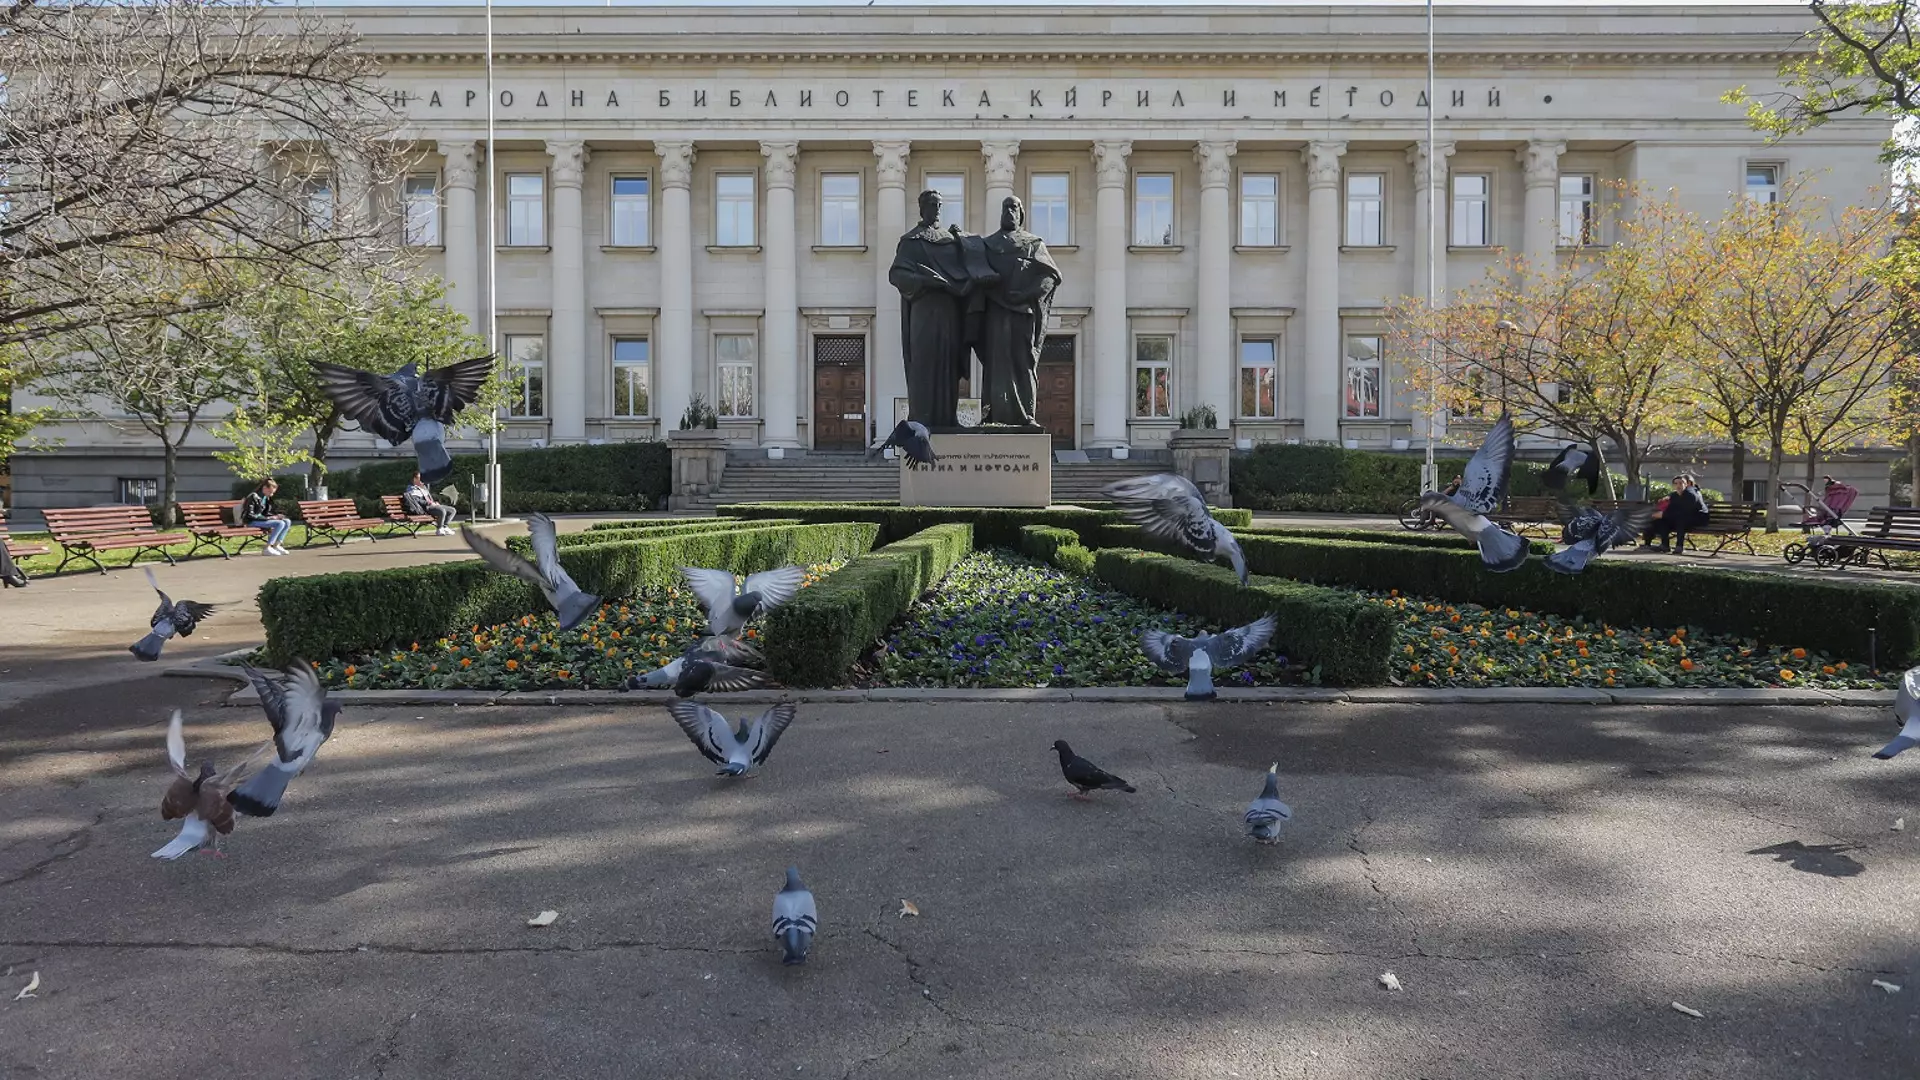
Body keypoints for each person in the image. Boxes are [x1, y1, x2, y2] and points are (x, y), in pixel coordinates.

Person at [1641, 473, 1709, 553]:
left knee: (1680, 520)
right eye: (1676, 483)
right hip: (1683, 518)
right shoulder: (1674, 495)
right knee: (1661, 521)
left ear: (1686, 484)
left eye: (1681, 483)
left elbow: (1685, 511)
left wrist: (1664, 514)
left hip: (1698, 518)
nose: (1678, 485)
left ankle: (1679, 546)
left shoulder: (1691, 494)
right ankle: (1664, 545)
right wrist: (1662, 515)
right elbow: (1672, 509)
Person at [242, 478, 292, 556]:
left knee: (287, 521)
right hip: (250, 521)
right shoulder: (253, 496)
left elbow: (265, 513)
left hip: (260, 520)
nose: (271, 495)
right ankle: (267, 547)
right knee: (280, 523)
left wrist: (275, 516)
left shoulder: (265, 497)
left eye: (273, 493)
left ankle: (277, 545)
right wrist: (268, 518)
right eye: (270, 492)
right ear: (264, 488)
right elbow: (250, 515)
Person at [404, 471, 456, 536]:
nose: (422, 480)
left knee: (452, 510)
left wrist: (434, 503)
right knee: (442, 511)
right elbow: (417, 501)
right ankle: (439, 529)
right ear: (415, 479)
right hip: (425, 509)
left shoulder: (423, 487)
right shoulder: (411, 489)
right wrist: (429, 503)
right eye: (420, 478)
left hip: (431, 506)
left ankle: (444, 527)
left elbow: (428, 498)